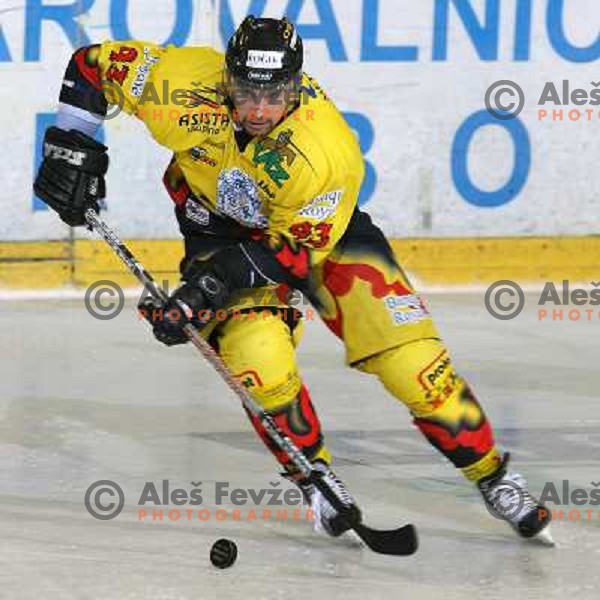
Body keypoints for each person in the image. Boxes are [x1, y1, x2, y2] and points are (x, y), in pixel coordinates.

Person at [34, 16, 552, 543]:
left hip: (323, 238)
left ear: (297, 83)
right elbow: (91, 67)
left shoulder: (325, 149)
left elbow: (292, 255)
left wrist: (202, 294)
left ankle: (493, 475)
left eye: (275, 94)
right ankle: (317, 479)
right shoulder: (180, 80)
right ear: (226, 78)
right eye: (245, 92)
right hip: (220, 234)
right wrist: (69, 146)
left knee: (416, 368)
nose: (259, 109)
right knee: (259, 363)